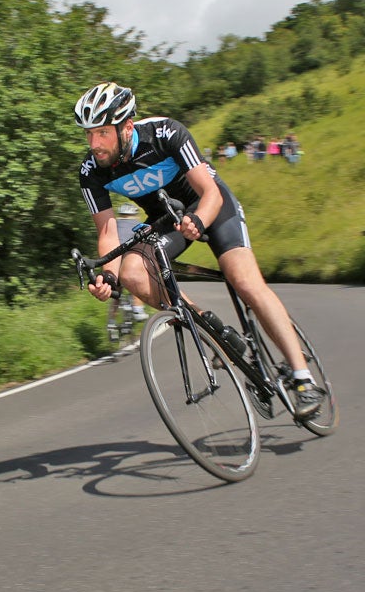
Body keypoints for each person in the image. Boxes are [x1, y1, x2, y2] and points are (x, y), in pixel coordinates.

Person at [73, 82, 324, 417]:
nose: (94, 144)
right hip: (167, 217)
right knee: (132, 273)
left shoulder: (165, 134)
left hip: (210, 205)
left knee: (244, 281)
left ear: (127, 127)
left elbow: (211, 193)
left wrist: (199, 219)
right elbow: (107, 232)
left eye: (102, 133)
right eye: (89, 134)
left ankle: (303, 378)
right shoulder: (91, 171)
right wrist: (108, 276)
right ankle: (212, 329)